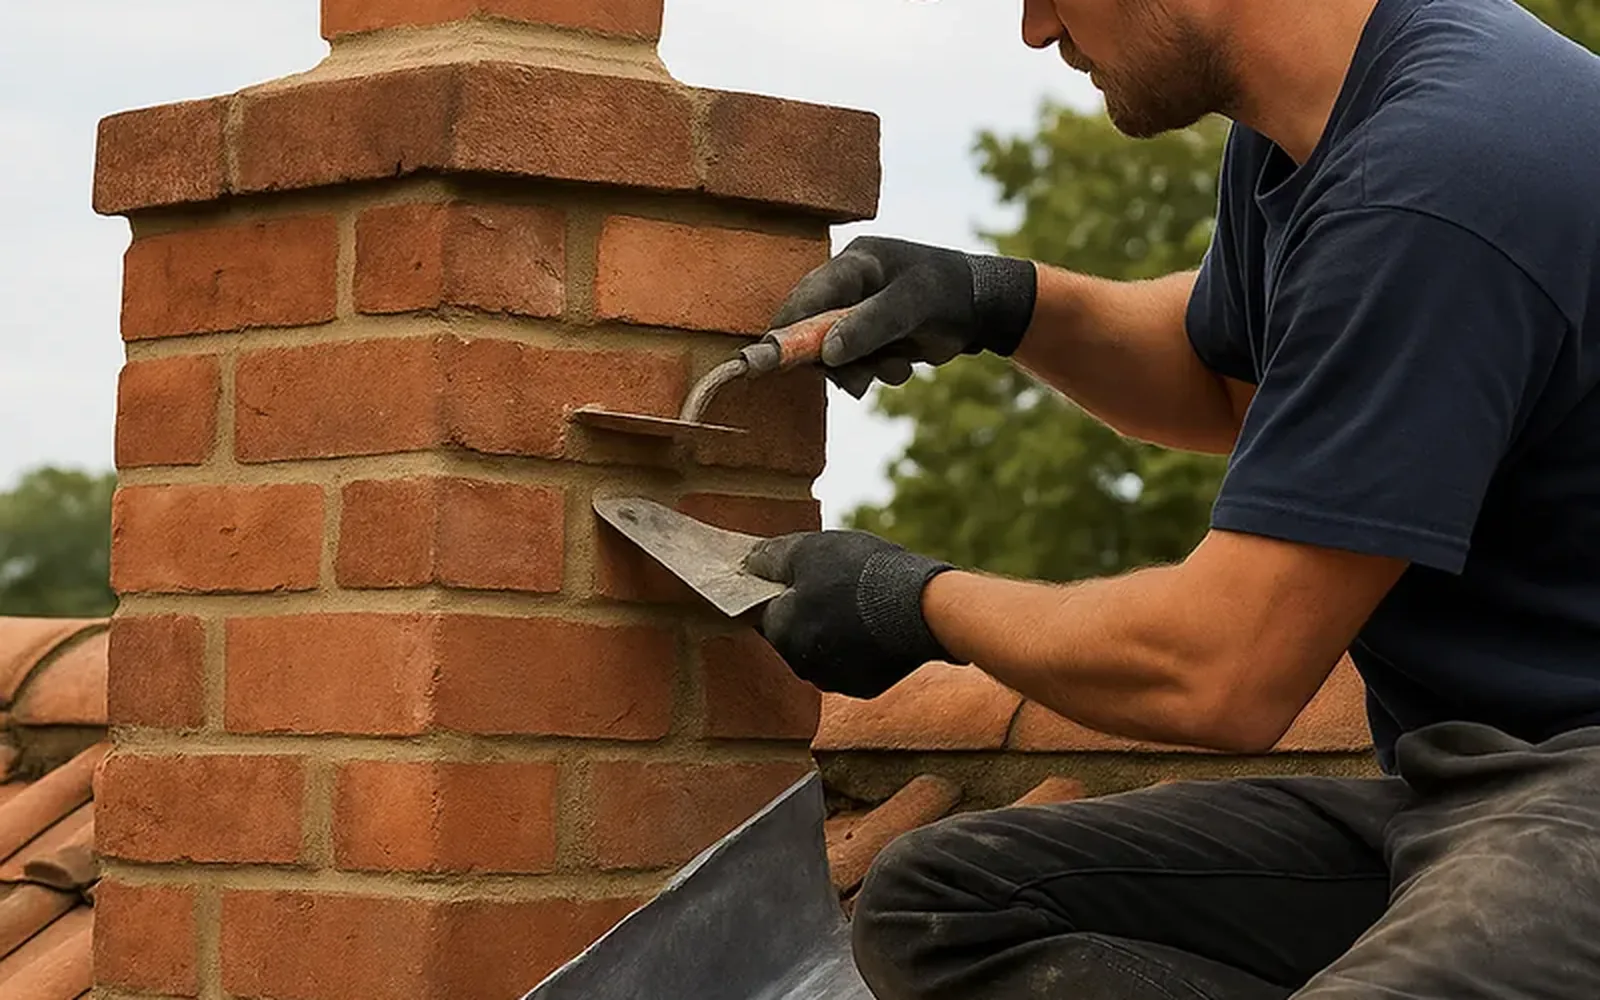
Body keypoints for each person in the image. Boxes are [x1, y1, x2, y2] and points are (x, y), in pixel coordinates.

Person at [742, 0, 1600, 996]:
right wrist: (997, 302)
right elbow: (1228, 383)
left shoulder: (1440, 172)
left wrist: (912, 603)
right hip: (1472, 788)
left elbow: (1225, 669)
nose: (1035, 29)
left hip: (1575, 797)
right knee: (943, 906)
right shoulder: (1310, 128)